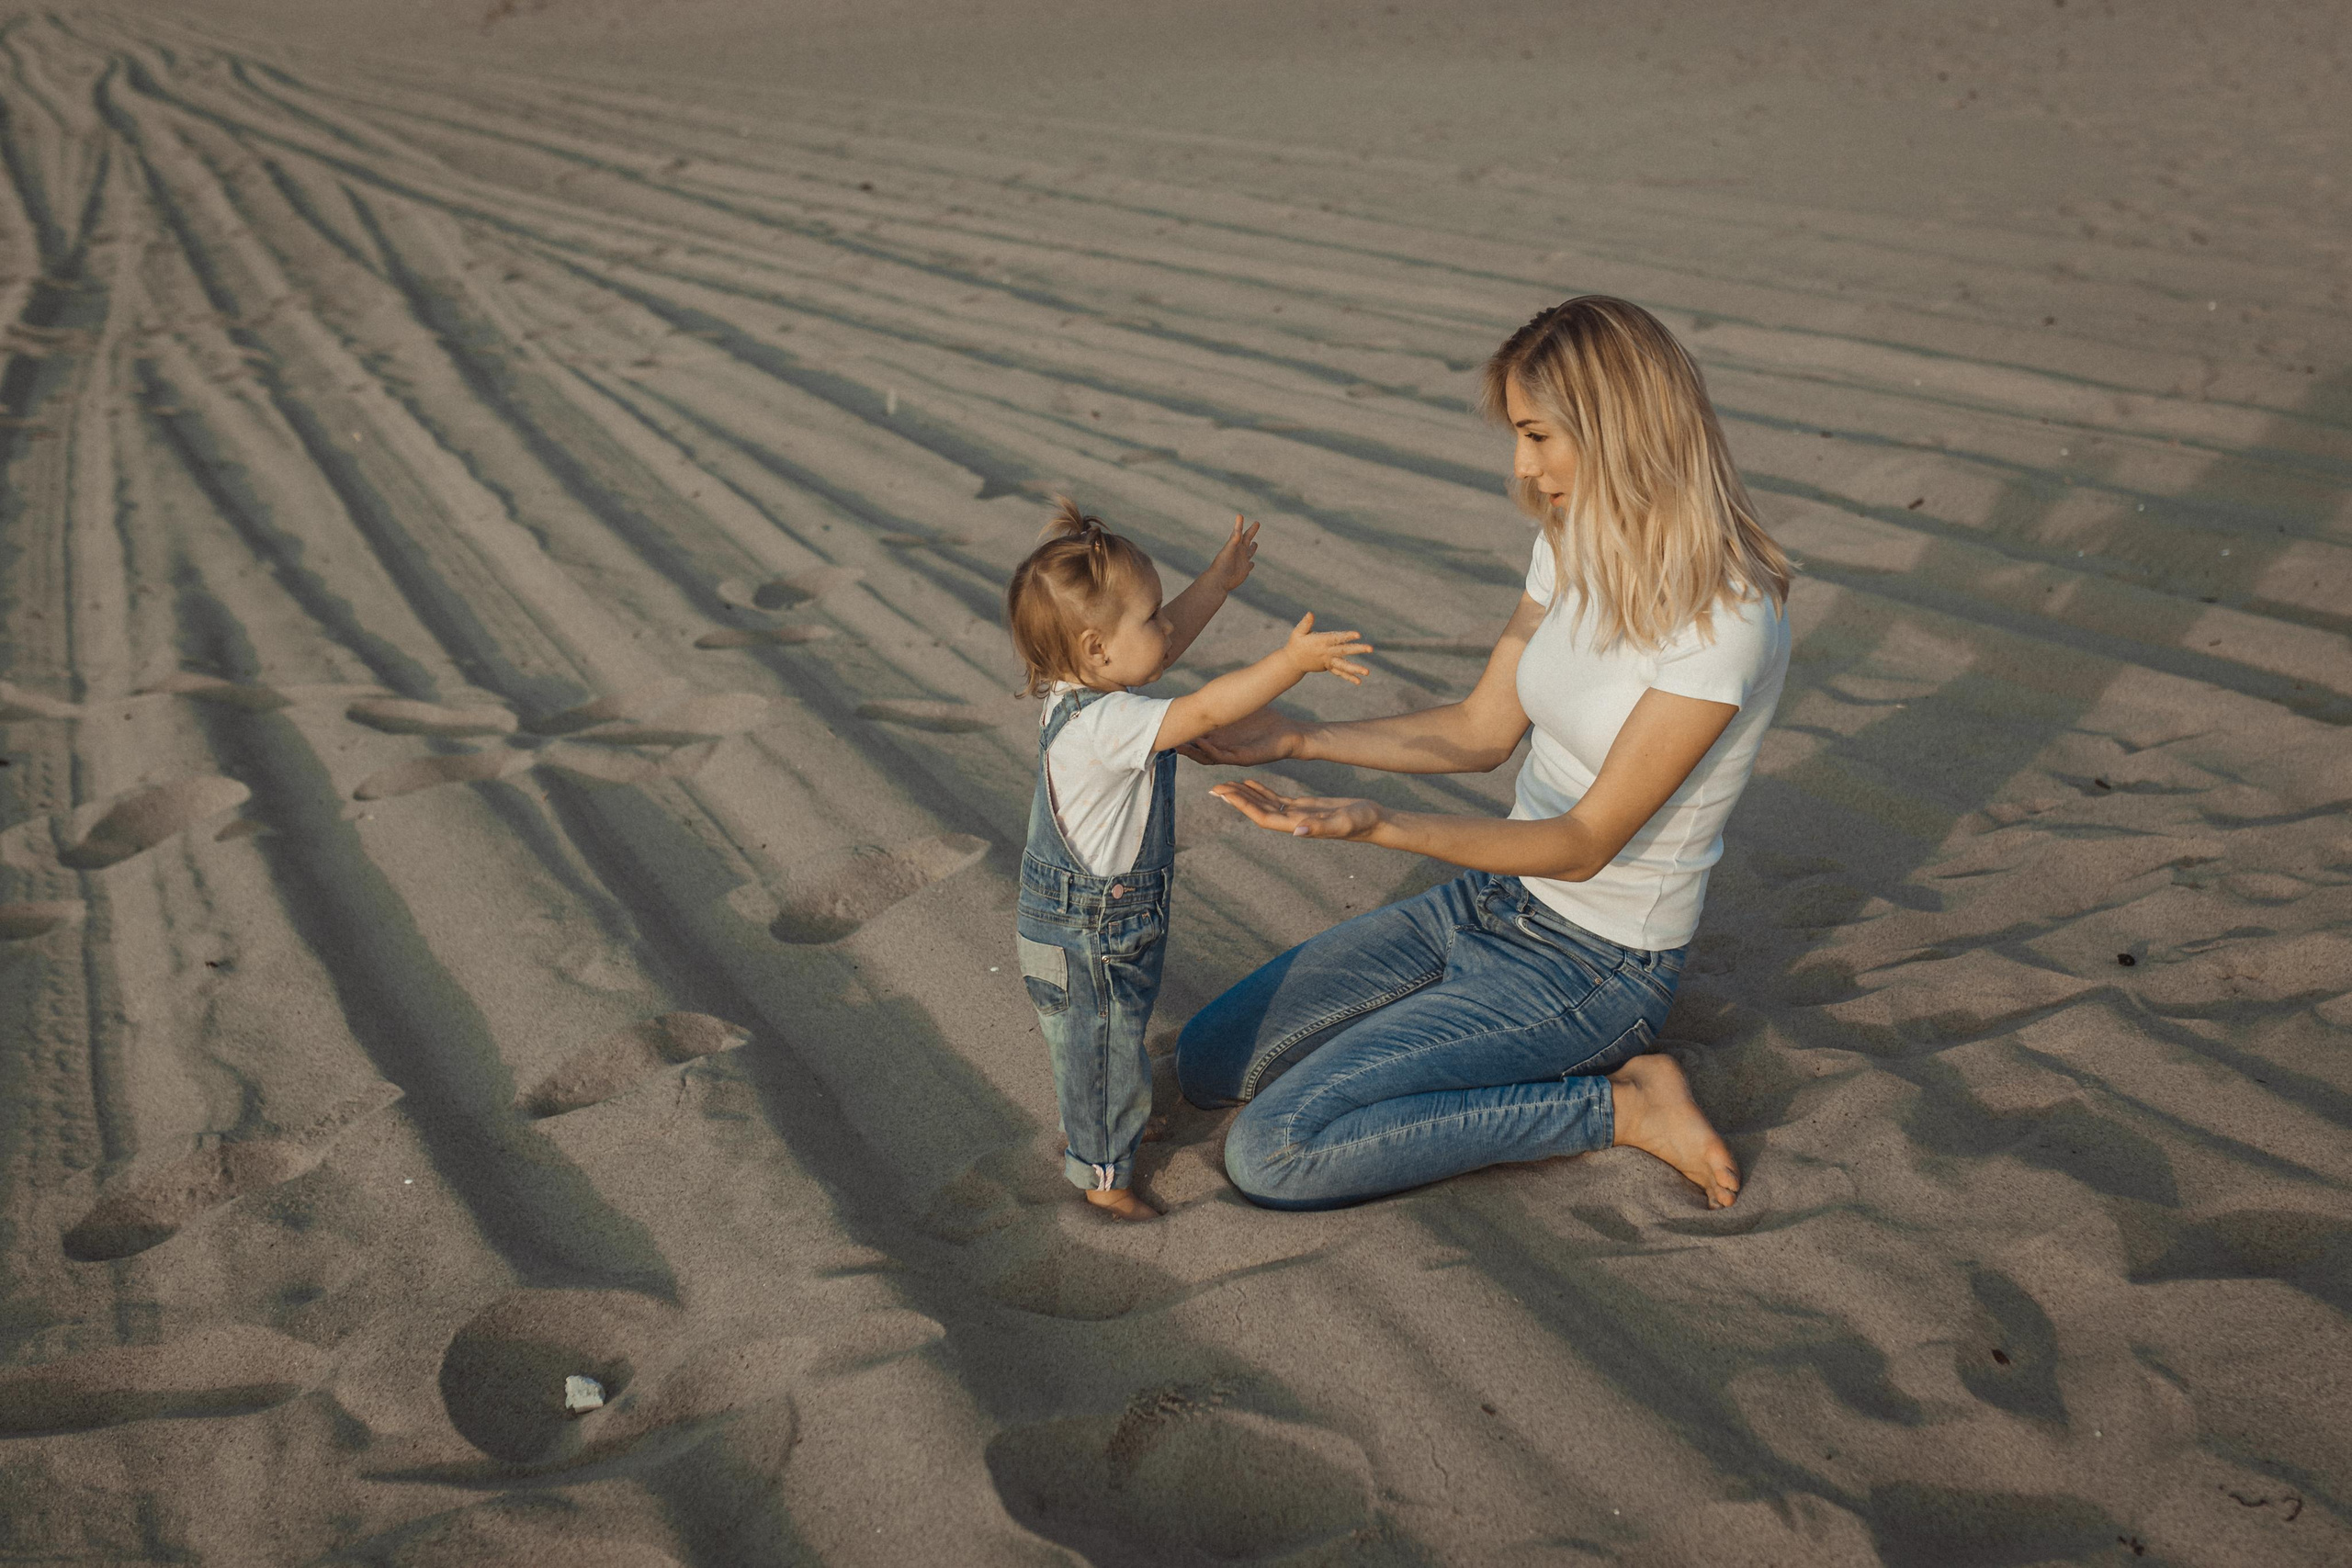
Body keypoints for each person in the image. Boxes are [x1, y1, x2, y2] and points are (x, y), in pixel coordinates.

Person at [1176, 295, 1792, 1213]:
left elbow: (1584, 842)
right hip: (1488, 901)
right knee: (1208, 1063)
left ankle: (1619, 1106)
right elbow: (1480, 729)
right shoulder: (1569, 540)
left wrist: (1378, 825)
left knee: (1276, 1151)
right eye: (1517, 434)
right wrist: (1294, 738)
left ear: (1616, 424)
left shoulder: (1726, 617)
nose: (1522, 463)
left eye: (1539, 434)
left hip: (1596, 965)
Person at [1004, 499, 1373, 1221]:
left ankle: (1112, 1125)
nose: (1168, 627)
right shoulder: (1108, 724)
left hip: (1091, 924)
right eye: (1151, 615)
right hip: (1091, 937)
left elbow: (1161, 649)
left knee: (1105, 1044)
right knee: (1100, 1047)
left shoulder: (1079, 687)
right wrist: (1288, 664)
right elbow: (1203, 709)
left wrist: (1220, 579)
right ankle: (1105, 1179)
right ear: (1095, 648)